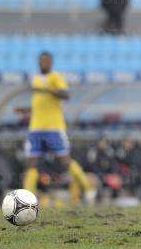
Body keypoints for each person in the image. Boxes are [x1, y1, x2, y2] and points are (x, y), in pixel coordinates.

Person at [18, 52, 95, 206]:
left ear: (51, 62)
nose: (44, 63)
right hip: (36, 127)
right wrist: (27, 109)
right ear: (38, 62)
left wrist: (47, 89)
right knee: (31, 162)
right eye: (41, 61)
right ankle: (27, 199)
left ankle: (88, 188)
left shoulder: (55, 77)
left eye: (46, 61)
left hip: (54, 127)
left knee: (64, 161)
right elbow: (40, 103)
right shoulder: (35, 79)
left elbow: (66, 94)